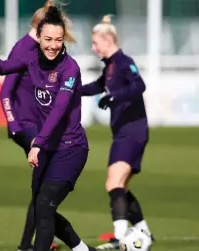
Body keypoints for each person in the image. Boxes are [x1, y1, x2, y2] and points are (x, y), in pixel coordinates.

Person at [0, 6, 96, 251]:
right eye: (48, 39)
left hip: (70, 149)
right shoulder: (31, 57)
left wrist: (38, 143)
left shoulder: (70, 69)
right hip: (47, 148)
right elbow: (3, 69)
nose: (53, 45)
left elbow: (59, 111)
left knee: (44, 204)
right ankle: (82, 249)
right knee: (42, 206)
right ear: (39, 37)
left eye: (58, 39)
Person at [79, 15, 153, 250]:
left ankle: (120, 237)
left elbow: (139, 85)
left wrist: (115, 96)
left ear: (107, 38)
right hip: (122, 132)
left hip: (133, 130)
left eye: (95, 43)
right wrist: (70, 90)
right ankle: (143, 231)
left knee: (114, 183)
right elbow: (97, 86)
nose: (93, 48)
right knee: (119, 185)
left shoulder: (123, 62)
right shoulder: (110, 66)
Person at [0, 1, 66, 250]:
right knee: (44, 190)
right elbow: (5, 91)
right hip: (26, 127)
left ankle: (36, 239)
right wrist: (14, 125)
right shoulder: (24, 50)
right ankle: (31, 243)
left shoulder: (43, 50)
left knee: (43, 188)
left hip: (38, 128)